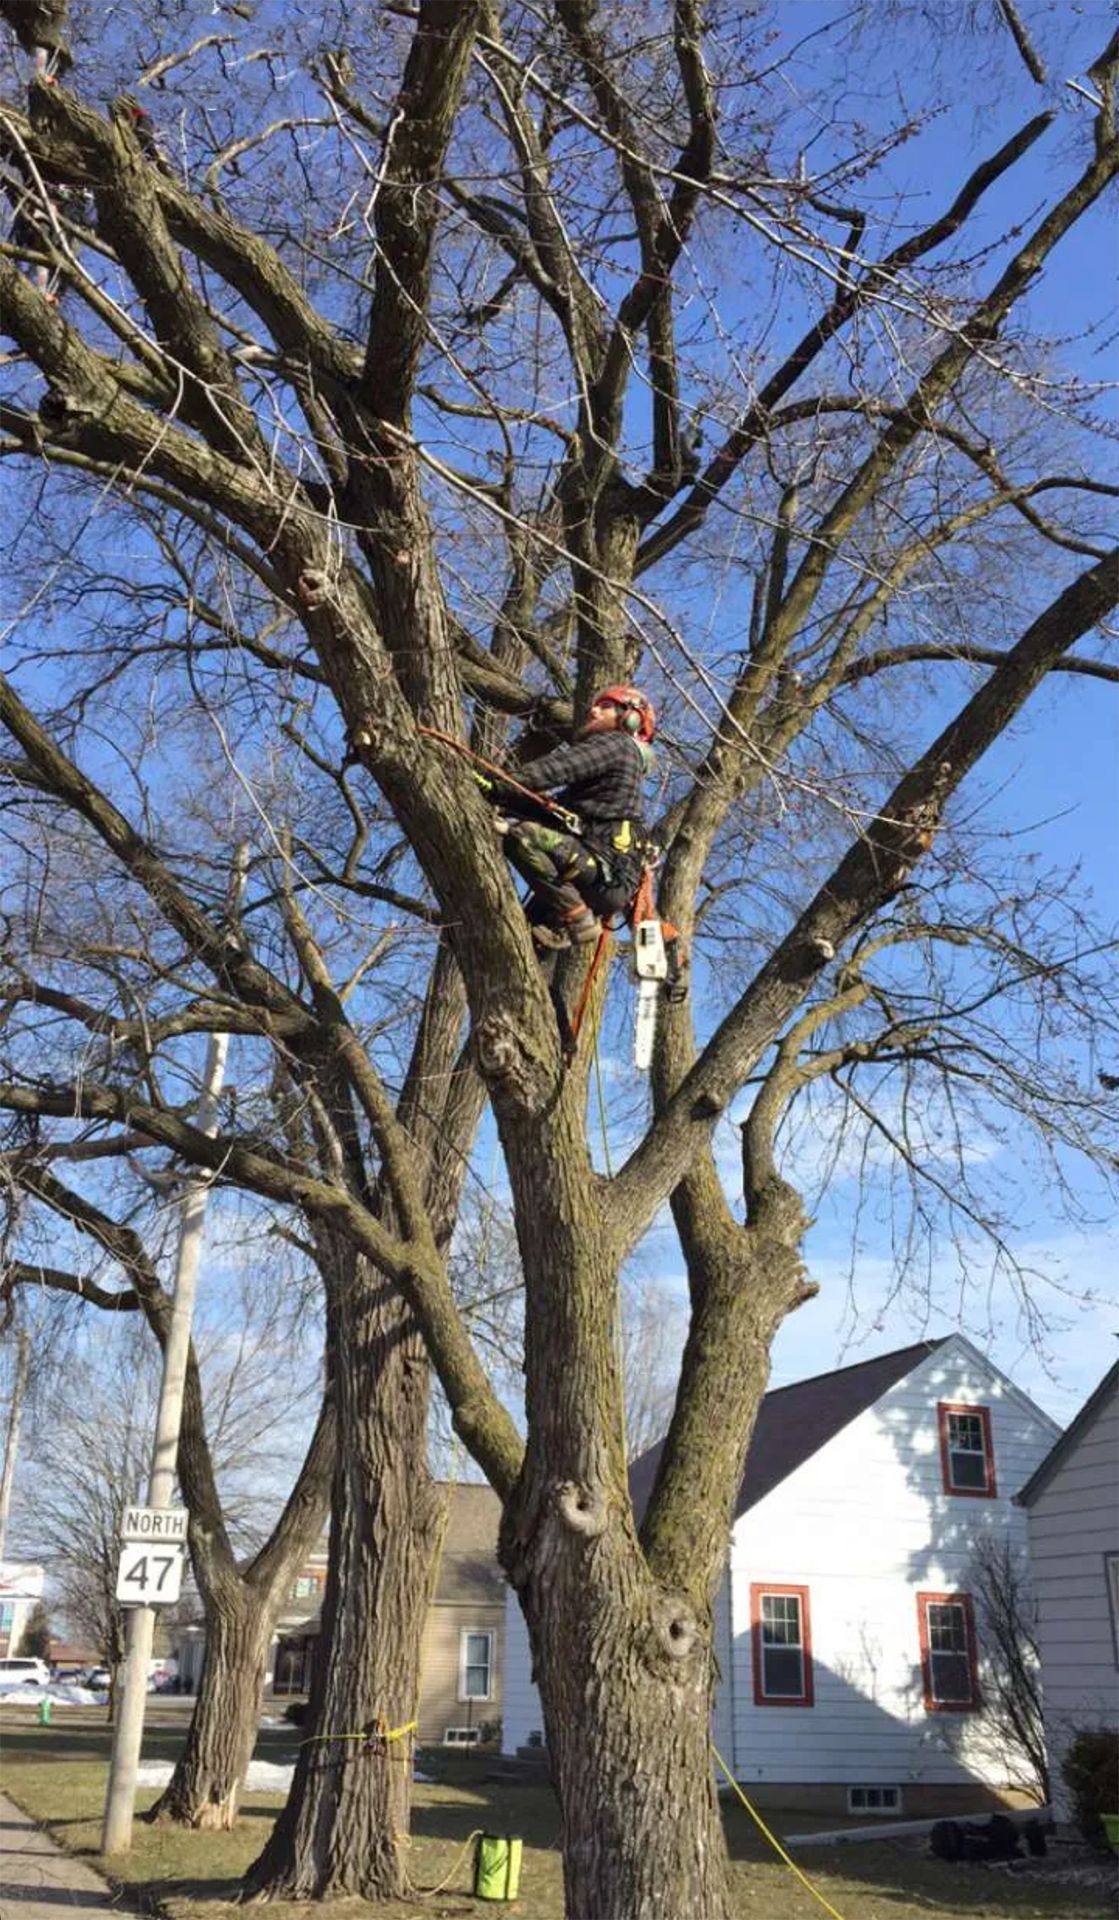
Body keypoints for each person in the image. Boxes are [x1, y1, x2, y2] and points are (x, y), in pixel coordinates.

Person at [494, 685, 656, 947]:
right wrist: (503, 796)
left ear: (631, 717)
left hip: (601, 872)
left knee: (522, 835)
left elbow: (559, 768)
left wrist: (501, 783)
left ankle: (578, 918)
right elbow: (552, 814)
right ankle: (563, 925)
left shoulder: (618, 745)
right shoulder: (603, 788)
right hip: (590, 875)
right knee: (519, 940)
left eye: (605, 706)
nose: (592, 710)